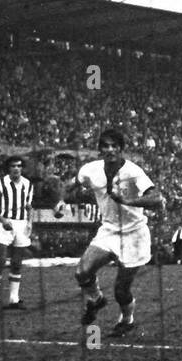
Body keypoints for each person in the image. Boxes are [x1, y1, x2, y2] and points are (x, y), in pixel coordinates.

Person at [69, 129, 164, 337]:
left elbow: (156, 199)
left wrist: (130, 201)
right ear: (100, 149)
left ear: (121, 149)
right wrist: (60, 200)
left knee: (121, 290)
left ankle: (127, 320)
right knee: (82, 272)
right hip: (109, 230)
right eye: (106, 146)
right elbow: (74, 183)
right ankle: (96, 299)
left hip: (134, 234)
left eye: (114, 146)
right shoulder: (90, 170)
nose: (110, 150)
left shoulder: (133, 172)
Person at [0, 156, 34, 311]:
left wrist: (30, 222)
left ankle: (14, 299)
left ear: (22, 168)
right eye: (13, 166)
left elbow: (28, 206)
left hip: (21, 225)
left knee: (17, 263)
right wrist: (3, 220)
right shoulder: (0, 184)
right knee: (0, 261)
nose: (16, 168)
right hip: (4, 224)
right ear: (8, 168)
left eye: (19, 166)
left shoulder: (28, 184)